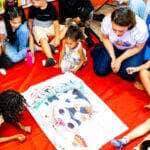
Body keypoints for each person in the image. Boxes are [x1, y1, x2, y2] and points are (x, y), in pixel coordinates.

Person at [91, 7, 149, 81]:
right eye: (114, 29)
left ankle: (113, 57)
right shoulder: (107, 20)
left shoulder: (141, 28)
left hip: (132, 48)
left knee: (128, 74)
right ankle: (98, 49)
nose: (117, 33)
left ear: (129, 25)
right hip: (113, 45)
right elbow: (105, 38)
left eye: (121, 31)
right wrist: (113, 57)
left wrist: (119, 60)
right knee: (100, 71)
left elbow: (138, 47)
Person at [28, 0, 67, 67]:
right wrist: (31, 32)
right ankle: (50, 58)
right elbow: (30, 21)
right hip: (38, 27)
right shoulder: (32, 8)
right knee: (43, 38)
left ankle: (50, 45)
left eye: (34, 2)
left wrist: (57, 37)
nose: (32, 3)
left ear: (41, 1)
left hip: (49, 26)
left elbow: (55, 23)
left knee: (67, 27)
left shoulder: (51, 7)